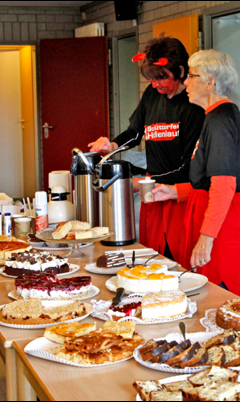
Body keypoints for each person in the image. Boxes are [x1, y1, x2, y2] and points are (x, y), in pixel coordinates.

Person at [152, 50, 240, 296]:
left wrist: (206, 238)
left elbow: (224, 185)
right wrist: (175, 192)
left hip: (224, 229)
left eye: (191, 76)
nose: (185, 83)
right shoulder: (219, 116)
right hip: (225, 220)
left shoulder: (219, 121)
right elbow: (210, 179)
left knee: (218, 299)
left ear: (210, 83)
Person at [88, 36, 205, 261]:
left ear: (181, 71)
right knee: (152, 259)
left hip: (179, 198)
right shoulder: (152, 95)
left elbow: (188, 168)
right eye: (151, 79)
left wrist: (144, 182)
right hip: (153, 195)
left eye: (162, 77)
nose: (156, 84)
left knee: (178, 262)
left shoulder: (193, 106)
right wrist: (112, 146)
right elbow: (134, 132)